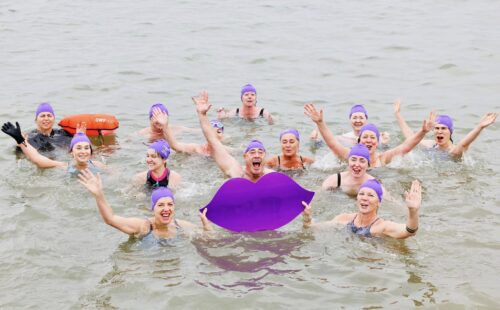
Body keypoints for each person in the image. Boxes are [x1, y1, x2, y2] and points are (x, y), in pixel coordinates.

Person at [78, 169, 211, 240]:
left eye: (170, 205)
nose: (166, 209)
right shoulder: (143, 226)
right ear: (153, 208)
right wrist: (99, 195)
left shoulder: (180, 225)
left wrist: (207, 226)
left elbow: (208, 238)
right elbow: (110, 219)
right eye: (161, 205)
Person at [304, 103, 434, 167]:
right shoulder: (350, 156)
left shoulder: (383, 158)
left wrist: (423, 132)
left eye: (372, 138)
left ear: (377, 142)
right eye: (365, 137)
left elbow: (406, 147)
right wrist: (320, 123)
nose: (369, 140)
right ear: (359, 141)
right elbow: (332, 143)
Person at [302, 179, 422, 239]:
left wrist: (413, 211)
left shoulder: (382, 227)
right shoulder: (343, 218)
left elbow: (410, 231)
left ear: (379, 203)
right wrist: (307, 218)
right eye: (361, 194)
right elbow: (312, 229)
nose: (364, 198)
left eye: (370, 195)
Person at [195, 91, 273, 182]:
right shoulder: (236, 171)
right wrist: (202, 115)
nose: (256, 155)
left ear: (265, 157)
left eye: (260, 152)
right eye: (252, 152)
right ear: (245, 156)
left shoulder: (272, 175)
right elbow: (213, 142)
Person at [394, 99, 498, 158]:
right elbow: (411, 138)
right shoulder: (430, 145)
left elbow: (465, 143)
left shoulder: (453, 151)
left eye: (444, 128)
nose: (439, 131)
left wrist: (480, 127)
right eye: (437, 128)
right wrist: (398, 114)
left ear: (450, 132)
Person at [2, 122, 104, 176]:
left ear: (91, 151)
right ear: (72, 152)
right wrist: (21, 141)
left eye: (86, 148)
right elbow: (37, 159)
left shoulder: (98, 165)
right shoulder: (65, 166)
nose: (83, 151)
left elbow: (115, 175)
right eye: (79, 148)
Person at [151, 106, 228, 157]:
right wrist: (165, 126)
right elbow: (175, 146)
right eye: (213, 131)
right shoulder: (196, 149)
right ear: (206, 134)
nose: (216, 134)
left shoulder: (226, 151)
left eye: (219, 132)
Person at [310, 104, 390, 146]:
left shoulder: (377, 138)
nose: (358, 120)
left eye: (361, 118)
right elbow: (329, 144)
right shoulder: (343, 138)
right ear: (350, 120)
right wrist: (316, 141)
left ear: (366, 120)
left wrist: (385, 143)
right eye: (354, 117)